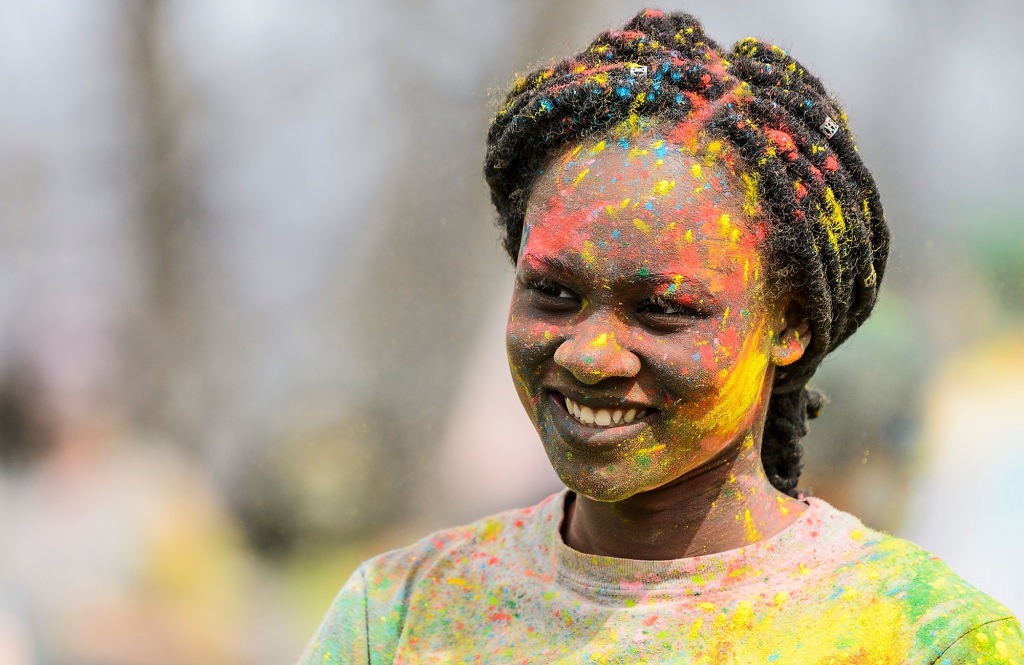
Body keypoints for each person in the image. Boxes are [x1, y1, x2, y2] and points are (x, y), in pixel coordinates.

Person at [299, 9, 1024, 663]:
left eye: (664, 309)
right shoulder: (400, 618)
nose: (588, 354)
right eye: (553, 292)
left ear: (791, 323)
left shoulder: (920, 638)